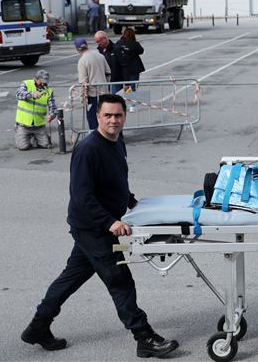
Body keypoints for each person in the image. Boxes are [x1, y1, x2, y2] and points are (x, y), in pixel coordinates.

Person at [21, 94, 180, 359]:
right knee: (120, 282)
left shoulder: (117, 142)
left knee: (69, 279)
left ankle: (38, 327)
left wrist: (131, 202)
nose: (113, 120)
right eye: (107, 115)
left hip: (96, 227)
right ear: (98, 117)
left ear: (125, 116)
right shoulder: (88, 149)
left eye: (118, 115)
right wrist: (110, 222)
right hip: (94, 229)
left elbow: (115, 179)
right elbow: (82, 196)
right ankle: (144, 337)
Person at [14, 69, 57, 150]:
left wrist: (52, 114)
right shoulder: (26, 84)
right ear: (36, 79)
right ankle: (21, 134)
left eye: (45, 82)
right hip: (23, 125)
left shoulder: (48, 91)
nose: (43, 84)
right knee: (23, 147)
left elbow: (52, 106)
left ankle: (35, 138)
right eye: (41, 81)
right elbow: (18, 94)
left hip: (39, 125)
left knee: (45, 145)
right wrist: (32, 94)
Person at [75, 37, 111, 131]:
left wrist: (83, 97)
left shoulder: (82, 61)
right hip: (104, 92)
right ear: (87, 45)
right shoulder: (100, 55)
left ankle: (96, 138)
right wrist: (106, 84)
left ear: (77, 49)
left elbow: (83, 82)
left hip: (93, 95)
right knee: (106, 116)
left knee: (92, 118)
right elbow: (108, 72)